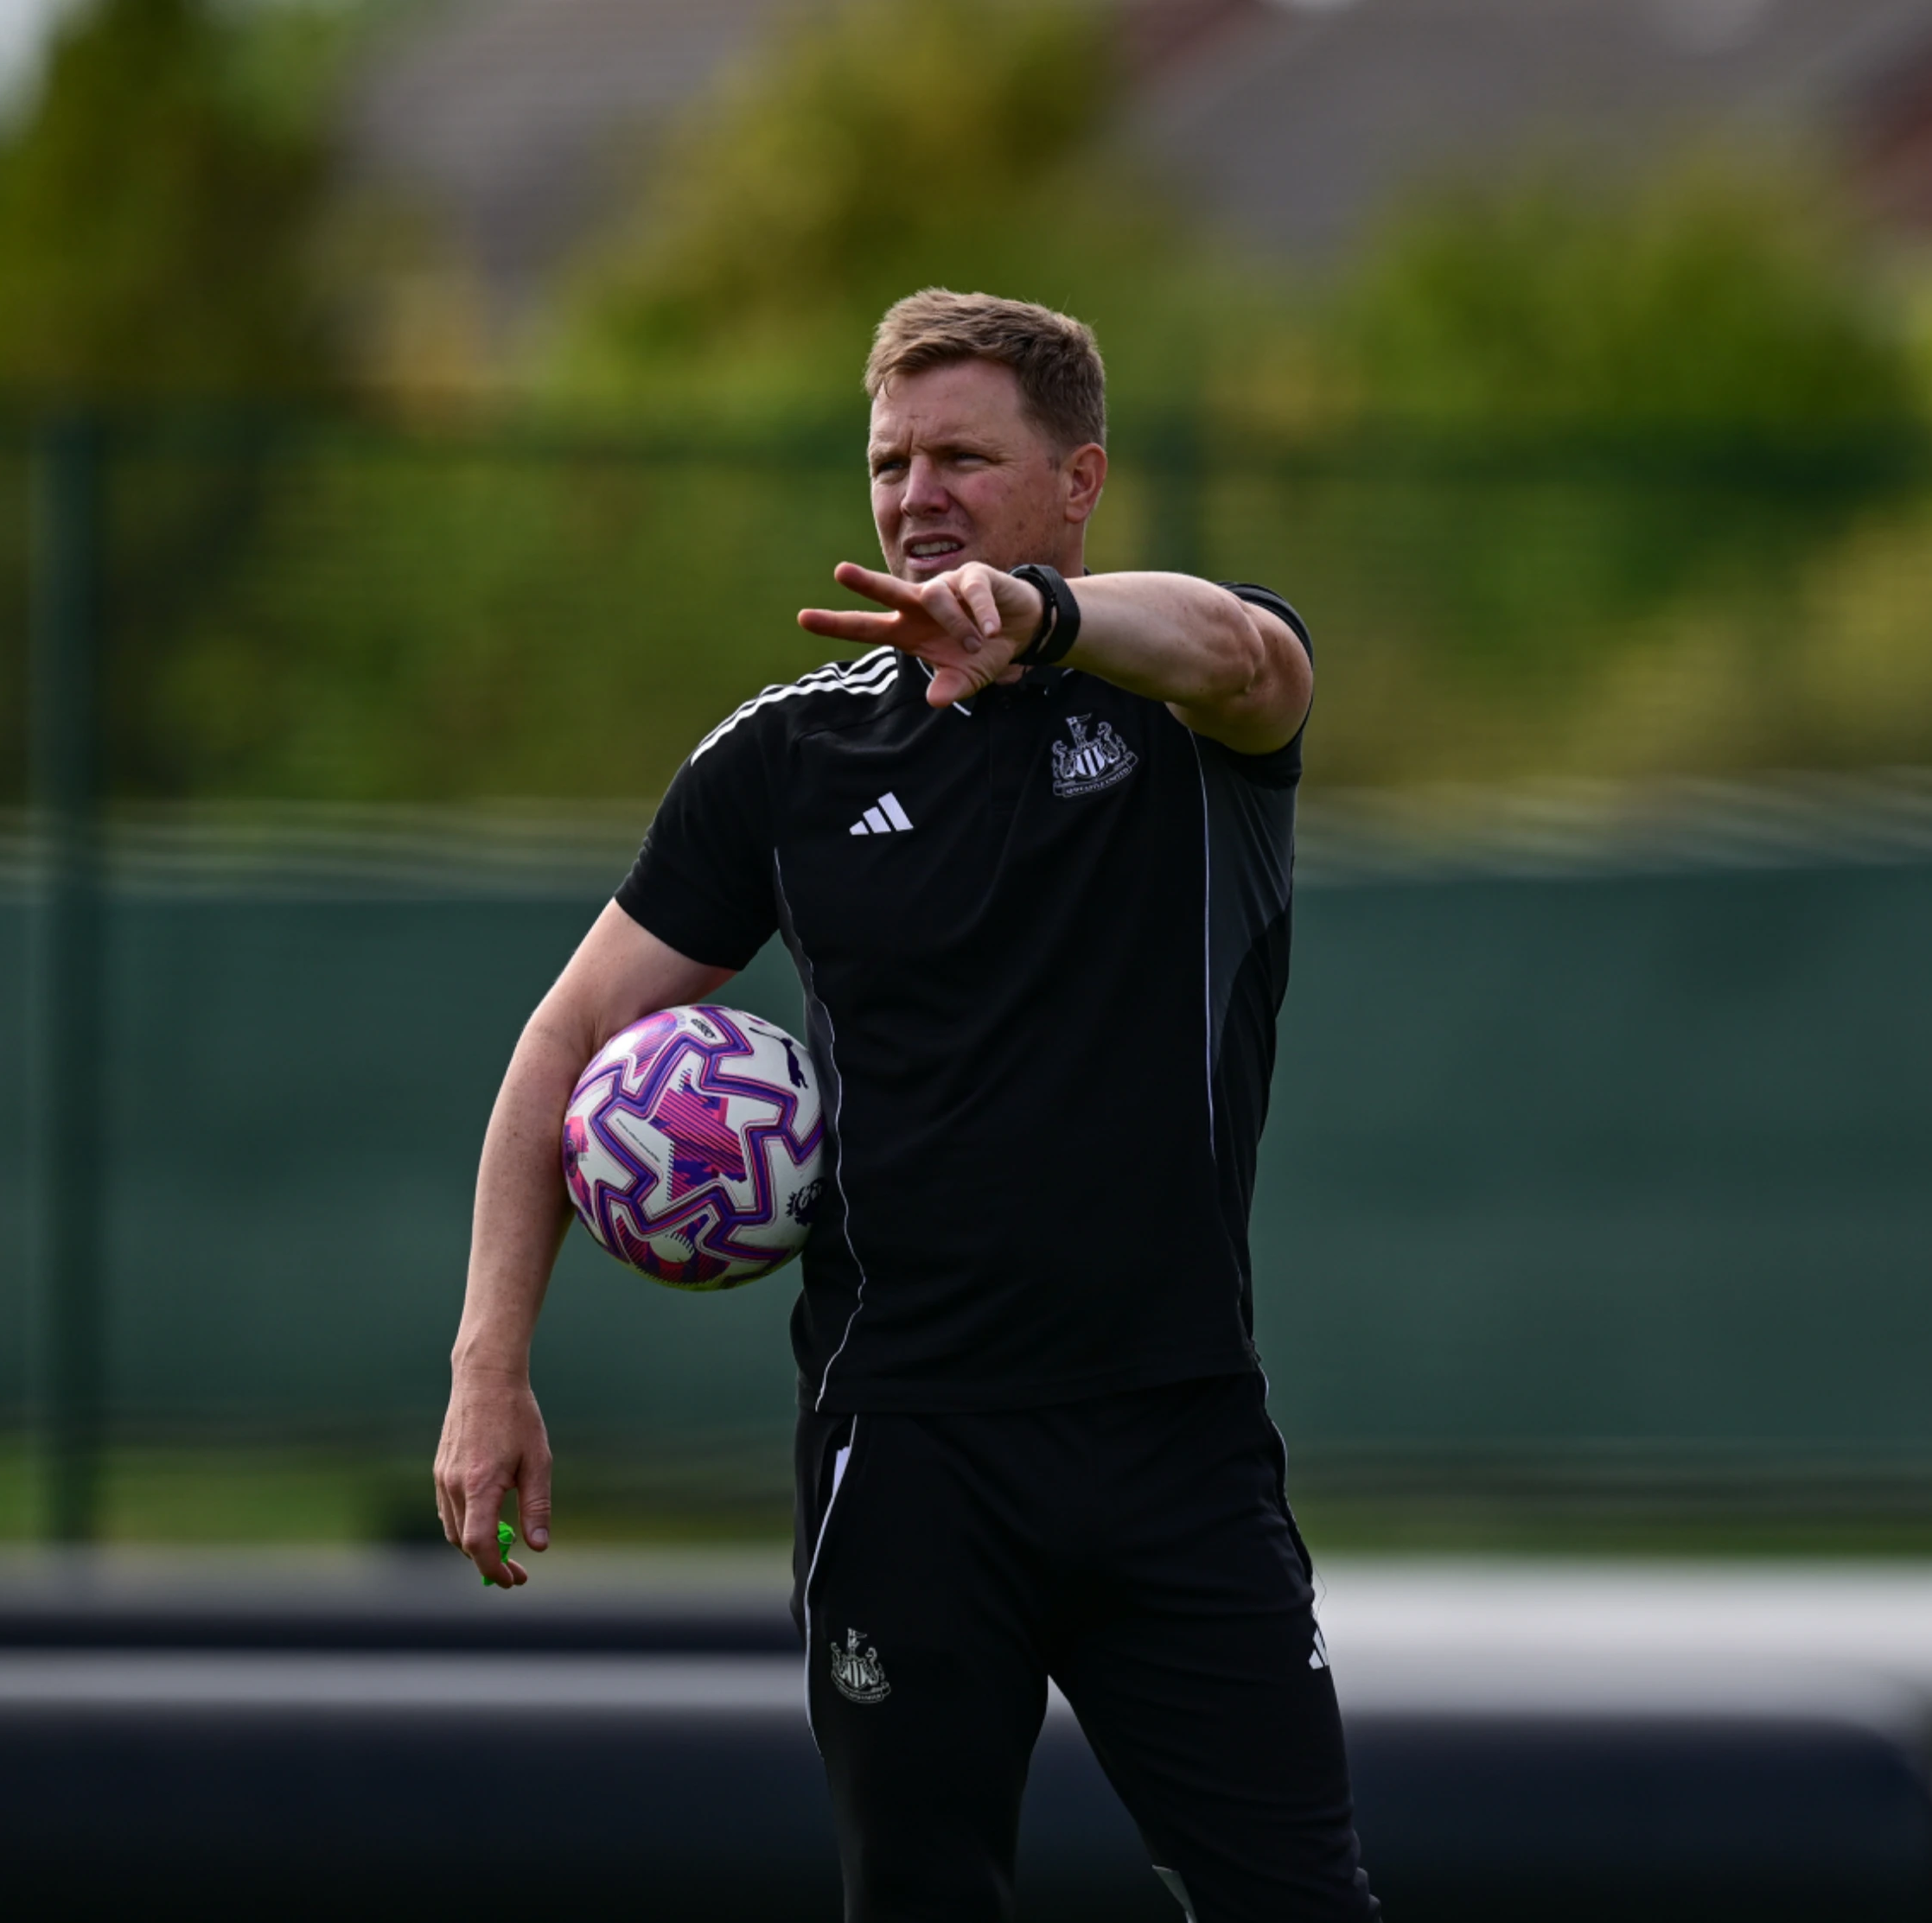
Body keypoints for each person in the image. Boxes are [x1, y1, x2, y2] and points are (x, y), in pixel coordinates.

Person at [430, 289, 1373, 1920]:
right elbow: (565, 1041)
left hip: (1173, 1437)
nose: (915, 492)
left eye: (962, 455)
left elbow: (1248, 652)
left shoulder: (1180, 706)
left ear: (1077, 482)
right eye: (889, 458)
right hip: (909, 1451)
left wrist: (1038, 620)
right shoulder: (786, 762)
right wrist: (486, 1366)